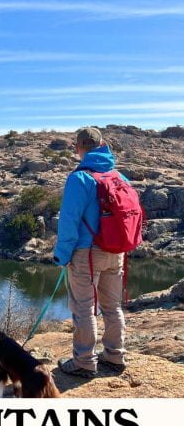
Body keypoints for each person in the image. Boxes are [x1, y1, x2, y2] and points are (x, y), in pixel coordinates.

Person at [54, 126, 129, 378]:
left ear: (78, 148)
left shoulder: (80, 178)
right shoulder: (119, 176)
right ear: (103, 144)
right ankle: (115, 356)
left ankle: (84, 361)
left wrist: (62, 256)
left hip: (87, 252)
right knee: (112, 306)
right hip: (116, 251)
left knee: (84, 308)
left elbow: (69, 222)